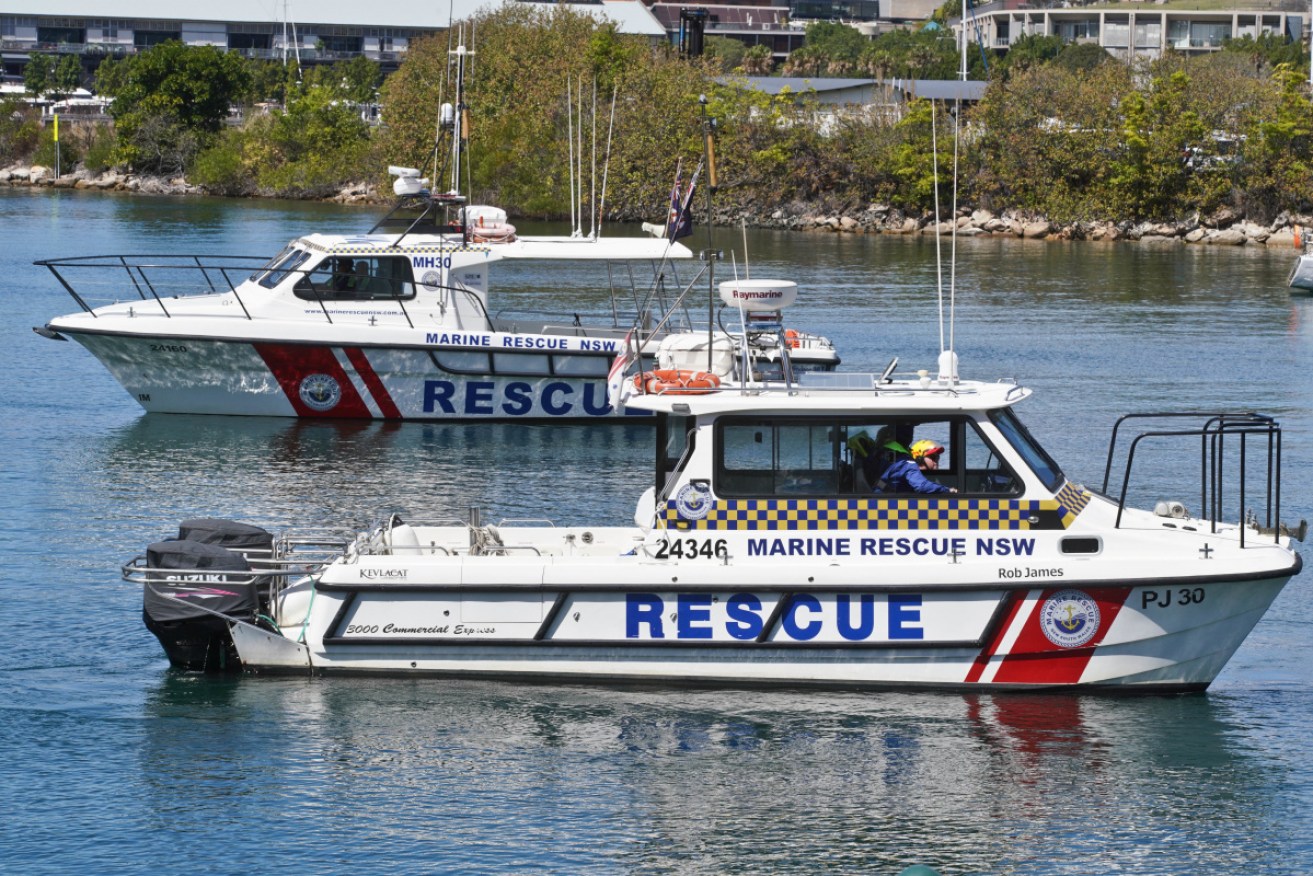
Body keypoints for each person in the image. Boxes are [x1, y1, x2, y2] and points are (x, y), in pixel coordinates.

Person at [874, 438, 956, 494]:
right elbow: (922, 487)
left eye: (937, 457)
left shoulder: (896, 462)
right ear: (919, 458)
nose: (936, 461)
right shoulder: (908, 465)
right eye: (933, 457)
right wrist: (948, 490)